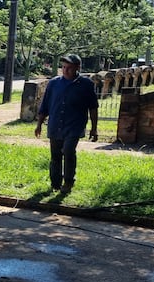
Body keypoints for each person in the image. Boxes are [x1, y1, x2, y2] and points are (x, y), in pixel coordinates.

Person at [35, 54, 98, 194]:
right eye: (63, 67)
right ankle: (55, 183)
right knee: (55, 155)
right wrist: (39, 124)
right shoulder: (54, 83)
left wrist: (94, 128)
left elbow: (93, 107)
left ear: (77, 67)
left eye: (69, 68)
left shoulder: (86, 85)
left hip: (74, 125)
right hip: (55, 124)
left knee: (69, 151)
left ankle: (68, 182)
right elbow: (45, 106)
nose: (65, 70)